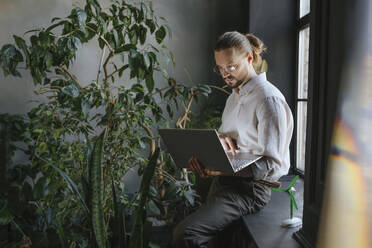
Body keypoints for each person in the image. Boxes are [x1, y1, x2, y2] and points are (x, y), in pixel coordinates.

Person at [171, 31, 294, 248]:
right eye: (220, 68)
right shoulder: (234, 97)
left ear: (249, 58)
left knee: (185, 235)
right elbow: (233, 141)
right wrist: (214, 151)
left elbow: (269, 165)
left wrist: (224, 169)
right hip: (225, 181)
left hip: (250, 190)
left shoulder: (268, 99)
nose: (225, 74)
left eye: (231, 66)